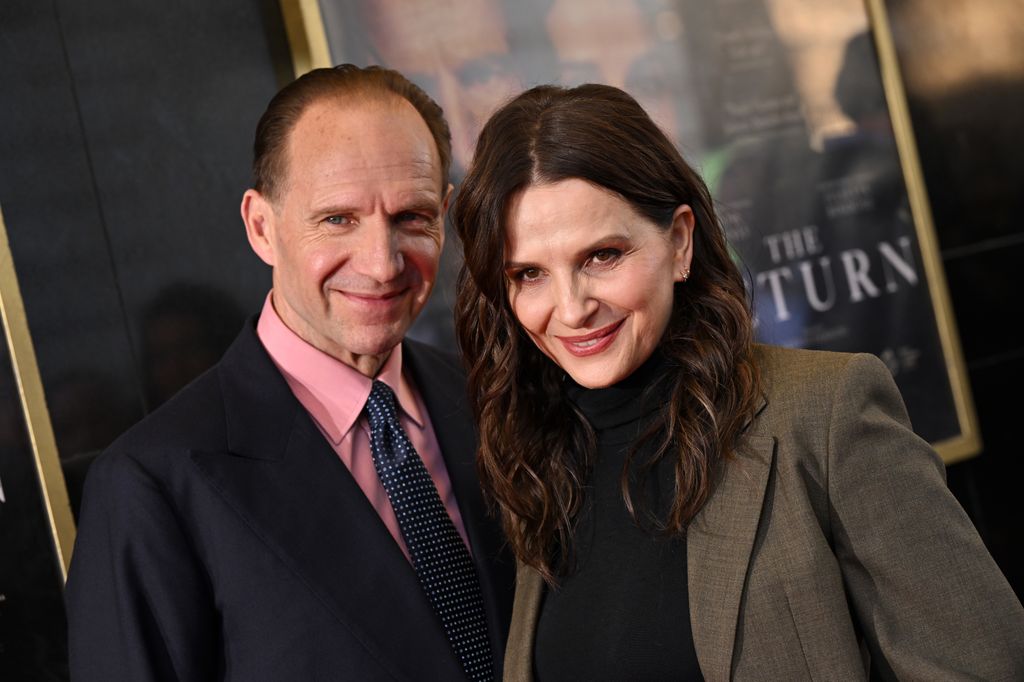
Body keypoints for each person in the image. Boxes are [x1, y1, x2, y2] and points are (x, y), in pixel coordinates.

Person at [452, 83, 1024, 680]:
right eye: (529, 274)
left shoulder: (825, 414)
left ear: (679, 240)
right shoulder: (537, 457)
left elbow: (982, 665)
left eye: (602, 256)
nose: (570, 309)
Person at [65, 65, 514, 681]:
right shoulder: (154, 483)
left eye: (412, 216)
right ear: (261, 227)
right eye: (338, 220)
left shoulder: (494, 401)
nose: (383, 265)